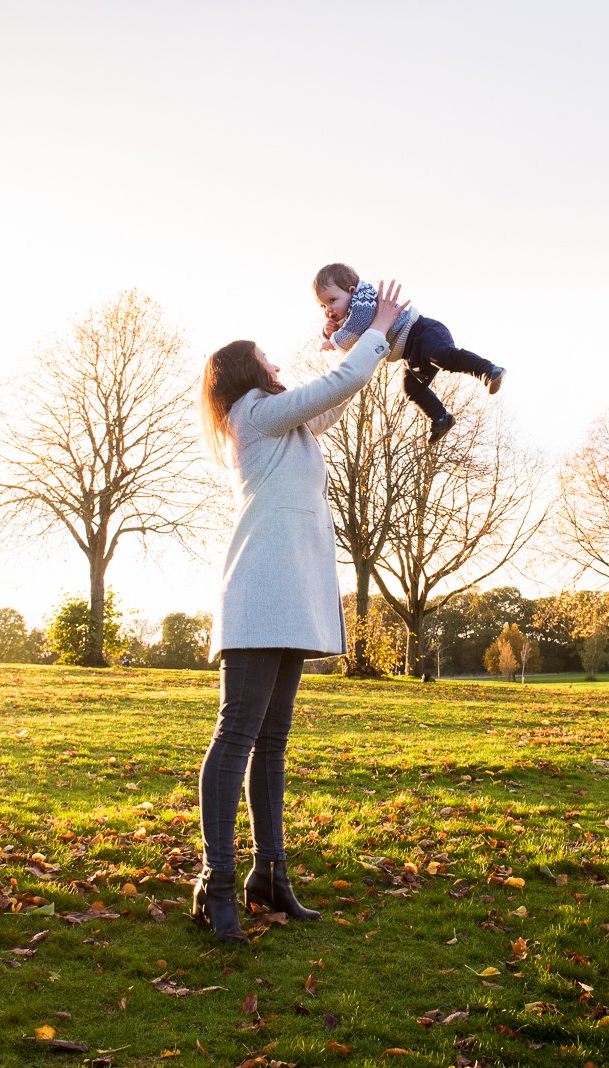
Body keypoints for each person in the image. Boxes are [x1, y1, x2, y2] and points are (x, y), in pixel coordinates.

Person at [192, 280, 408, 944]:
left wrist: (367, 342)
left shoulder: (286, 422)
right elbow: (326, 387)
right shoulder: (252, 413)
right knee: (236, 739)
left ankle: (271, 876)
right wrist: (376, 331)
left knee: (273, 744)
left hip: (292, 595)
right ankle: (216, 881)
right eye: (269, 358)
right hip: (259, 593)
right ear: (246, 373)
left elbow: (335, 393)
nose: (280, 366)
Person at [313, 263, 503, 444]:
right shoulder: (348, 314)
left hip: (422, 333)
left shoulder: (362, 302)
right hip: (410, 354)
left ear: (351, 291)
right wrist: (330, 330)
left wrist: (333, 340)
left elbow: (356, 328)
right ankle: (441, 418)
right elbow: (353, 334)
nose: (328, 309)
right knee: (411, 389)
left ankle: (487, 371)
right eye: (322, 306)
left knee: (442, 357)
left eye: (332, 300)